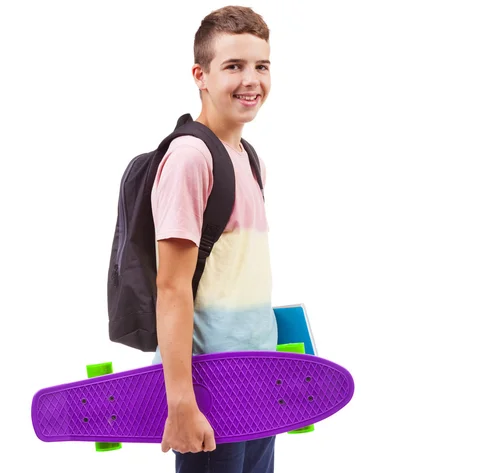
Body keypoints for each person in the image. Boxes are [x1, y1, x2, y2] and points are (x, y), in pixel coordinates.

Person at [150, 6, 278, 472]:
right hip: (212, 390)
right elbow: (172, 286)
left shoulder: (248, 158)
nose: (252, 80)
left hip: (260, 381)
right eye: (234, 66)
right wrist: (181, 401)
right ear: (200, 75)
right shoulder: (190, 157)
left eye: (261, 65)